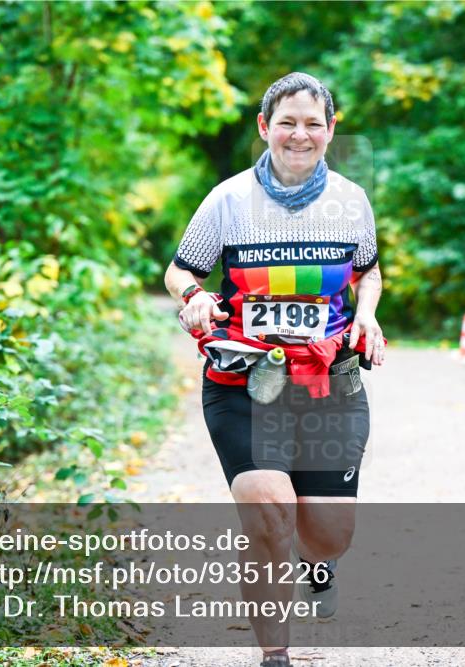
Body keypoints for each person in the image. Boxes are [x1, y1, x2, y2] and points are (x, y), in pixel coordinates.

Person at [164, 72, 384, 667]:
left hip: (329, 382)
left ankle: (320, 563)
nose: (299, 134)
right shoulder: (228, 200)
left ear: (330, 131)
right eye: (287, 121)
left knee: (328, 533)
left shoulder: (351, 201)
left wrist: (367, 315)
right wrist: (194, 299)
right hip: (244, 380)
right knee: (268, 513)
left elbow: (368, 271)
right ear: (265, 128)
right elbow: (181, 270)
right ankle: (275, 656)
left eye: (313, 123)